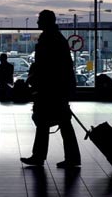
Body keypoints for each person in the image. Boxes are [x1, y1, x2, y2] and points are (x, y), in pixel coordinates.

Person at [21, 10, 81, 168]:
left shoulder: (49, 38)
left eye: (40, 19)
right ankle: (70, 157)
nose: (37, 23)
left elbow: (46, 65)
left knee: (46, 121)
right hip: (57, 87)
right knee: (59, 122)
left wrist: (35, 79)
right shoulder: (56, 37)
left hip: (51, 88)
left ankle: (40, 156)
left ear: (46, 21)